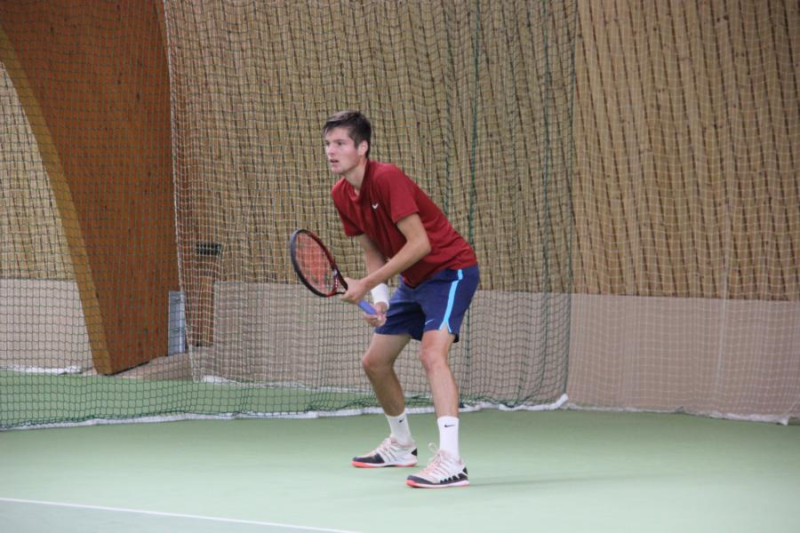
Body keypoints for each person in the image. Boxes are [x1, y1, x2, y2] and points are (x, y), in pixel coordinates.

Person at [324, 110, 480, 489]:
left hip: (450, 271)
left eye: (340, 143)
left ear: (363, 147)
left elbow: (420, 243)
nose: (331, 151)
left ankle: (452, 461)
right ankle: (402, 445)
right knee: (375, 362)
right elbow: (373, 250)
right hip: (412, 281)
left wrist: (366, 283)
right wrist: (379, 298)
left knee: (431, 355)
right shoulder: (341, 194)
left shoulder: (387, 178)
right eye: (327, 144)